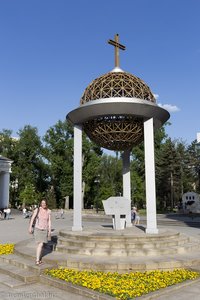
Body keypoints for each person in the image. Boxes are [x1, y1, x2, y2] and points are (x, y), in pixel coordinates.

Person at [29, 199, 51, 266]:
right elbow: (32, 218)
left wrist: (49, 231)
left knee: (40, 245)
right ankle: (37, 260)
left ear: (46, 204)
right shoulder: (37, 210)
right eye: (42, 203)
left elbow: (49, 221)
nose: (43, 204)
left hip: (44, 230)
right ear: (40, 204)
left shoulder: (49, 211)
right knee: (40, 244)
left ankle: (38, 258)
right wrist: (30, 227)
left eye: (44, 203)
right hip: (37, 229)